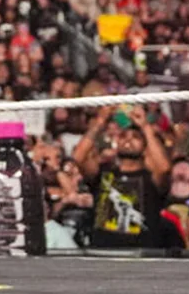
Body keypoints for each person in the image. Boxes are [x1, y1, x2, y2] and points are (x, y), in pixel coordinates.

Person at [74, 105, 174, 248]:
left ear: (145, 146)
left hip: (142, 253)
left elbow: (164, 168)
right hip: (104, 252)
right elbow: (79, 157)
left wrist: (145, 126)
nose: (128, 140)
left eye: (136, 137)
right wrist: (100, 122)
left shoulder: (150, 177)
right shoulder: (104, 172)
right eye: (123, 136)